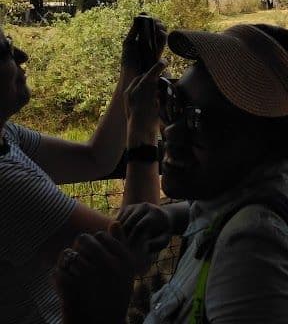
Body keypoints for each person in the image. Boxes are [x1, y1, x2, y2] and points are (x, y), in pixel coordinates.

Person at [54, 23, 288, 324]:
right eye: (174, 102)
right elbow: (224, 209)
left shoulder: (254, 252)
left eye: (201, 121)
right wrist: (169, 217)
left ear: (267, 143)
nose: (172, 132)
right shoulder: (286, 186)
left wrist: (98, 314)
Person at [0, 19, 167, 324]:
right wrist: (143, 131)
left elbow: (96, 159)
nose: (21, 55)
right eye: (5, 50)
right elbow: (132, 253)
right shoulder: (7, 184)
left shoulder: (7, 136)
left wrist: (130, 71)